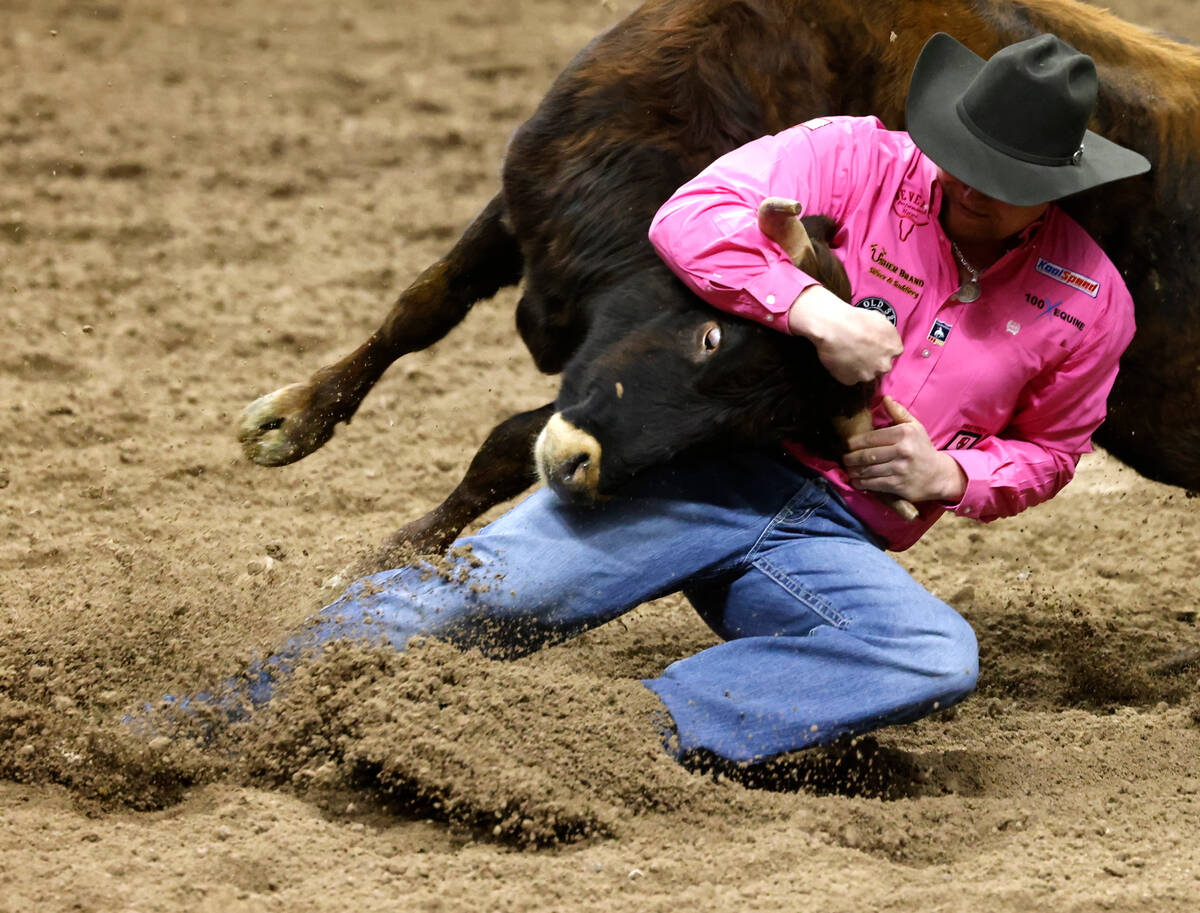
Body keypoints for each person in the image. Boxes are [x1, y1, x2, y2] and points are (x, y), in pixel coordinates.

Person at [209, 33, 1150, 763]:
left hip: (832, 536)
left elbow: (1052, 450)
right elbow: (691, 215)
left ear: (1056, 188)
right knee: (456, 609)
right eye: (961, 157)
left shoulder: (1091, 300)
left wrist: (951, 474)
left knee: (931, 655)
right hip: (697, 463)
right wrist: (811, 306)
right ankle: (204, 722)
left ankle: (617, 739)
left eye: (1001, 182)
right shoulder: (852, 157)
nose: (968, 186)